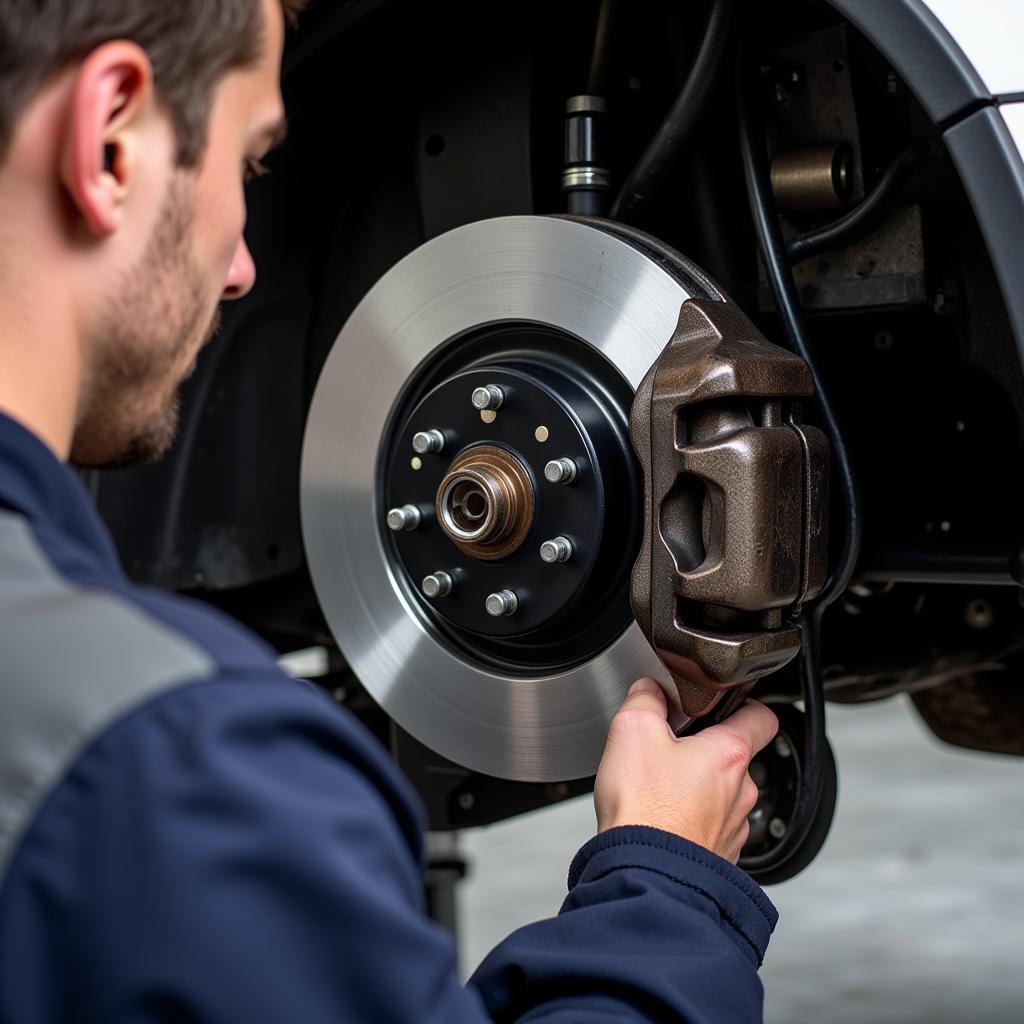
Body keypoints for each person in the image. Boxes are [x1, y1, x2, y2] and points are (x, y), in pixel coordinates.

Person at [0, 1, 781, 1020]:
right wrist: (667, 887)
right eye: (248, 162)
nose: (242, 269)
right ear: (110, 141)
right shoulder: (175, 771)